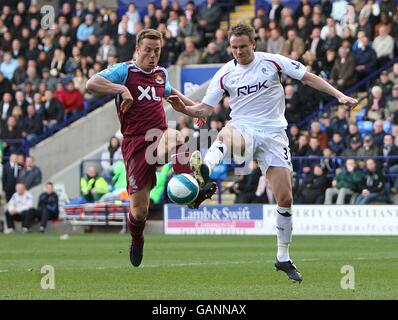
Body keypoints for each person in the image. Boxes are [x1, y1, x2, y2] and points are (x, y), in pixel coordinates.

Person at [168, 23, 358, 282]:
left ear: (254, 44)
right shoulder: (224, 74)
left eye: (243, 46)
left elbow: (308, 77)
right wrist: (185, 109)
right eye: (234, 47)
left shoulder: (273, 62)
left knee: (285, 199)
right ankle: (205, 170)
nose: (238, 51)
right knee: (227, 133)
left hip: (275, 135)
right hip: (243, 127)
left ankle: (283, 256)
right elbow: (204, 109)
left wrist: (338, 95)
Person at [86, 29, 217, 268]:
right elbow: (92, 83)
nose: (153, 55)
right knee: (139, 212)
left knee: (176, 135)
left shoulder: (160, 74)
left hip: (158, 137)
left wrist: (196, 109)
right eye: (148, 50)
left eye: (157, 51)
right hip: (135, 144)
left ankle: (192, 189)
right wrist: (121, 89)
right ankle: (137, 240)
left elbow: (172, 94)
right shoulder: (124, 71)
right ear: (137, 49)